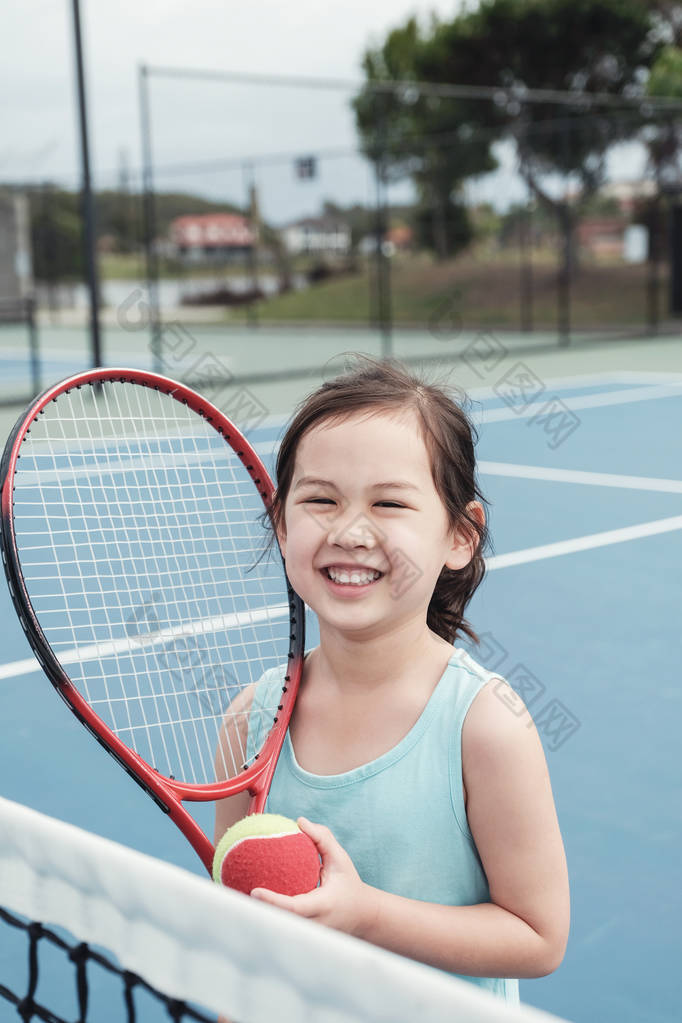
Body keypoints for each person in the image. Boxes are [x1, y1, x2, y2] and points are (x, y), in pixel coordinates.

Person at [215, 356, 569, 1005]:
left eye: (389, 502)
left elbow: (538, 934)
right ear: (282, 524)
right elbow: (242, 932)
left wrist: (367, 913)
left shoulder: (485, 723)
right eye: (320, 499)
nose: (350, 531)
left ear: (460, 536)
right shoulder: (249, 720)